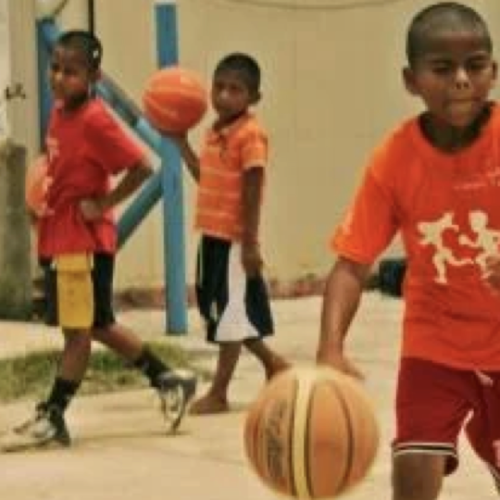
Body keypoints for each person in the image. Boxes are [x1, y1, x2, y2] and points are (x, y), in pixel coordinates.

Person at [316, 3, 500, 499]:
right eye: (442, 69)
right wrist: (331, 348)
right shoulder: (394, 160)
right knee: (414, 468)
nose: (461, 80)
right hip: (434, 344)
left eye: (476, 65)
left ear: (494, 72)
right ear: (410, 79)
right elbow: (352, 265)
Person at [1, 30, 196, 452]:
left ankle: (54, 415)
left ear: (93, 75)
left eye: (71, 72)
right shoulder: (58, 112)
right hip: (61, 234)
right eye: (55, 68)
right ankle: (169, 378)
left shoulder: (96, 119)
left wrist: (104, 202)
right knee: (97, 324)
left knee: (78, 333)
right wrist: (41, 204)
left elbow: (143, 167)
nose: (58, 78)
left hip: (83, 242)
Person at [168, 53, 289, 415]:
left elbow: (253, 189)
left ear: (254, 98)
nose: (223, 96)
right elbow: (205, 177)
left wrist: (250, 243)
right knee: (224, 312)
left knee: (230, 317)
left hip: (236, 240)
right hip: (213, 237)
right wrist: (181, 144)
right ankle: (274, 365)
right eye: (219, 87)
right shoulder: (214, 132)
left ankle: (219, 393)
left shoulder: (251, 135)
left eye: (235, 90)